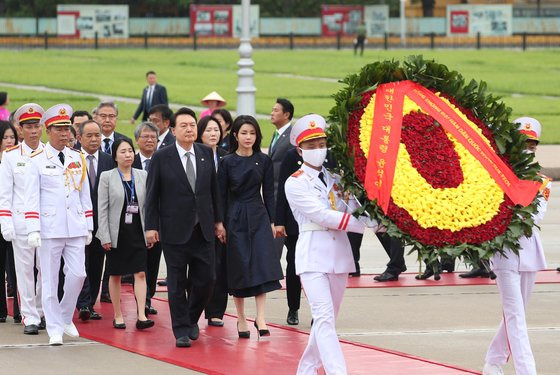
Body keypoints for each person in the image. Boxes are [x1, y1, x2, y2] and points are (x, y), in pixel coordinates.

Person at [285, 114, 378, 375]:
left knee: (327, 321)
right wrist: (364, 225)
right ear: (300, 150)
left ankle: (305, 369)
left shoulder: (336, 178)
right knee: (324, 318)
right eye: (311, 146)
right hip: (313, 255)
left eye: (321, 144)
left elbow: (356, 208)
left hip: (338, 255)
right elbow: (322, 215)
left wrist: (381, 223)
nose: (318, 150)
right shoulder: (295, 182)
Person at [145, 107, 225, 348]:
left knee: (207, 279)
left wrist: (219, 221)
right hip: (174, 230)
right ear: (173, 130)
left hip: (203, 230)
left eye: (192, 125)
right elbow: (152, 195)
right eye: (184, 126)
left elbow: (214, 191)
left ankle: (191, 317)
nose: (189, 129)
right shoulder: (162, 157)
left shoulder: (204, 153)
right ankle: (180, 329)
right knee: (177, 283)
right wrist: (151, 226)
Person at [482, 117, 550, 375]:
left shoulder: (542, 181)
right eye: (523, 142)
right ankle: (526, 371)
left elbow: (533, 216)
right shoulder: (496, 176)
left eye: (532, 144)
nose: (527, 148)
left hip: (528, 249)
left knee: (517, 312)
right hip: (503, 250)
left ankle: (494, 361)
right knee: (516, 314)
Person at [24, 104, 93, 346]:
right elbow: (31, 196)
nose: (65, 134)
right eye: (59, 129)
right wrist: (33, 227)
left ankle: (64, 317)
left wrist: (89, 224)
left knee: (78, 274)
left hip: (75, 225)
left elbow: (84, 193)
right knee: (50, 280)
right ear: (48, 131)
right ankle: (54, 327)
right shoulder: (36, 160)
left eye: (67, 129)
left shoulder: (78, 157)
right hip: (49, 226)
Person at [219, 115, 282, 338]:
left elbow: (270, 193)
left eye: (252, 133)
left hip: (258, 215)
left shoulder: (263, 160)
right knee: (239, 266)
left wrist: (273, 221)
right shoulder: (226, 162)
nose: (248, 137)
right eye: (244, 133)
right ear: (235, 135)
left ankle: (261, 317)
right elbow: (221, 195)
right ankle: (241, 318)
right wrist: (221, 224)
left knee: (261, 265)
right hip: (235, 216)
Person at [96, 138, 154, 330]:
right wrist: (104, 235)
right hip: (116, 232)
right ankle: (118, 314)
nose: (128, 155)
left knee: (141, 273)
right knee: (115, 274)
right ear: (115, 156)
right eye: (123, 151)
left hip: (137, 230)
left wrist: (151, 231)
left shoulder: (143, 175)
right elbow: (102, 208)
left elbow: (149, 206)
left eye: (130, 151)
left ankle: (141, 315)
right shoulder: (107, 176)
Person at [0, 104, 46, 334]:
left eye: (37, 126)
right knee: (25, 271)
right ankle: (29, 316)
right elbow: (5, 194)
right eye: (29, 127)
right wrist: (6, 222)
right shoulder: (10, 156)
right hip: (20, 223)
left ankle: (41, 309)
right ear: (20, 129)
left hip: (46, 222)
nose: (34, 131)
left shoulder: (49, 153)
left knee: (45, 269)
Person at [75, 119, 115, 321]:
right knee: (80, 262)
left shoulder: (108, 160)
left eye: (97, 135)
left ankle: (89, 304)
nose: (94, 139)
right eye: (89, 135)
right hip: (77, 220)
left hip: (101, 223)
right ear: (79, 137)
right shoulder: (72, 158)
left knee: (97, 264)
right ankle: (81, 303)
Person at [195, 116, 228, 327]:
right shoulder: (194, 156)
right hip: (199, 220)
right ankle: (196, 308)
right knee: (200, 268)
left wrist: (222, 221)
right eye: (208, 130)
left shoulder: (227, 157)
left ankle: (216, 311)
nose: (213, 133)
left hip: (224, 220)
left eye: (216, 130)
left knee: (220, 266)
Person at [131, 121, 160, 316]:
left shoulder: (163, 160)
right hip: (134, 221)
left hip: (158, 221)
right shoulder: (129, 160)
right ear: (137, 140)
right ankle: (142, 301)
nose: (150, 140)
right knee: (139, 264)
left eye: (153, 137)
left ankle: (149, 297)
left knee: (154, 262)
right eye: (145, 137)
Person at [0, 120, 21, 325]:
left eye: (12, 137)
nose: (9, 141)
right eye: (5, 137)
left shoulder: (18, 159)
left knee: (17, 267)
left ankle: (18, 311)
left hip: (15, 219)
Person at [269, 98, 295, 259]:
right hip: (274, 193)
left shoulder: (291, 136)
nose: (272, 113)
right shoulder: (276, 134)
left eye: (276, 110)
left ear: (286, 114)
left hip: (285, 195)